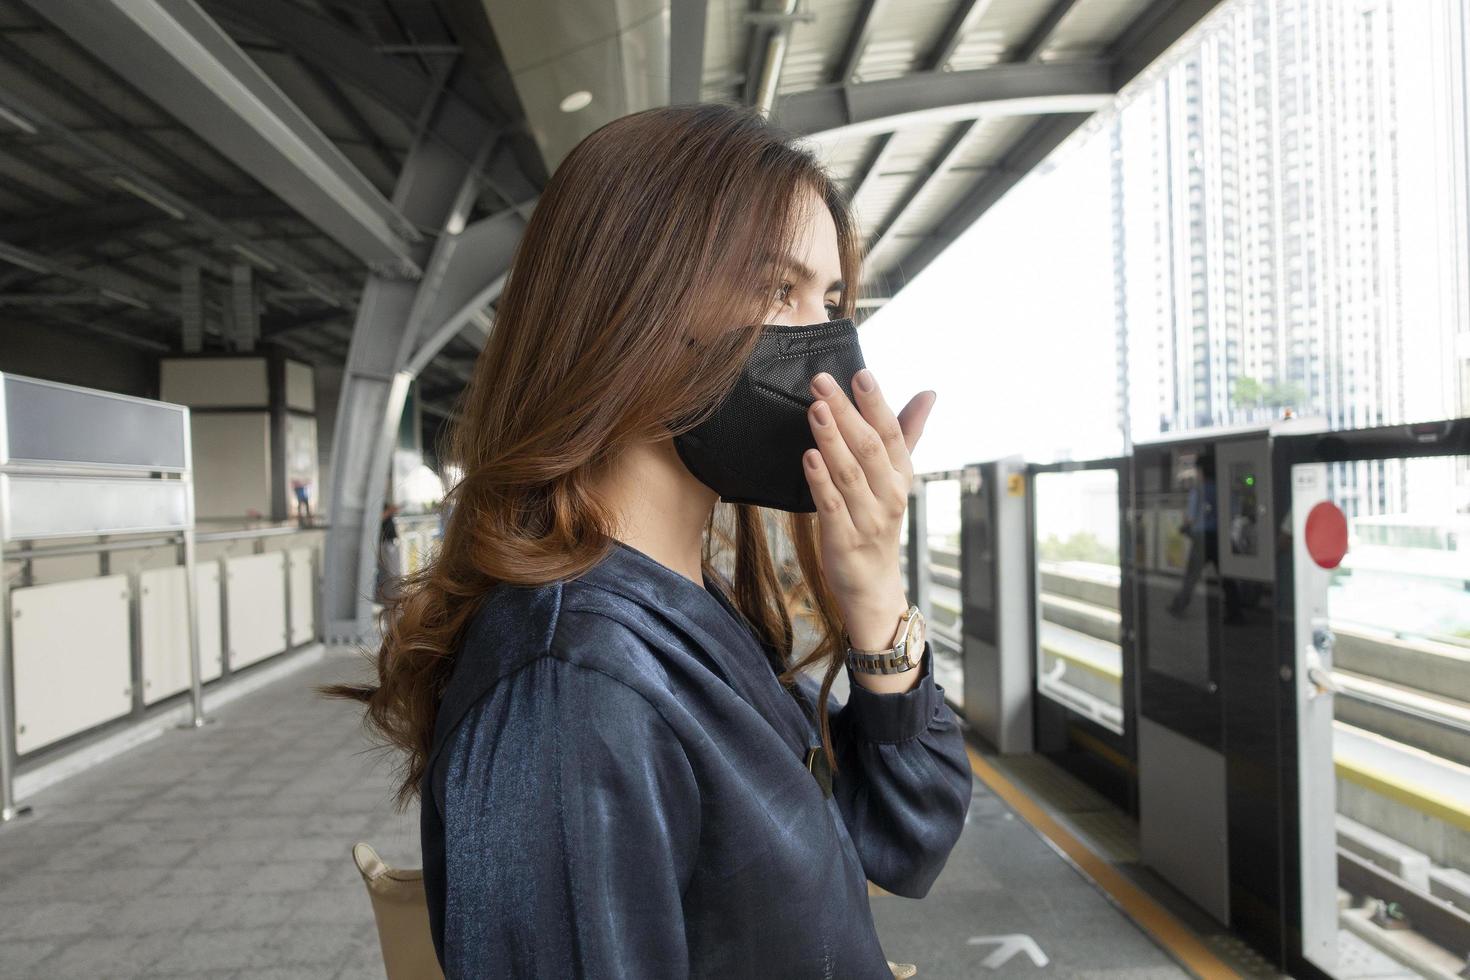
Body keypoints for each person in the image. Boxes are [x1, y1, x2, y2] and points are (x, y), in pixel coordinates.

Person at [317, 103, 972, 979]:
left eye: (830, 301)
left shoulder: (687, 604)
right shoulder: (571, 686)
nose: (829, 353)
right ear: (632, 305)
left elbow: (904, 838)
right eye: (780, 290)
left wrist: (875, 597)